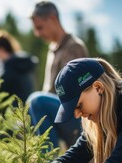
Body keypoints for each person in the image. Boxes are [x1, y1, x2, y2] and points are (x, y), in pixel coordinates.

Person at [27, 1, 89, 150]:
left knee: (36, 101)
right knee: (29, 110)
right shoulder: (52, 49)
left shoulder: (73, 47)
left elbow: (73, 93)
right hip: (59, 114)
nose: (38, 34)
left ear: (53, 18)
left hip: (77, 117)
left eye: (40, 27)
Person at [0, 29, 37, 104]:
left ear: (0, 49)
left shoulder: (9, 68)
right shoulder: (23, 62)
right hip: (29, 107)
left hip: (14, 111)